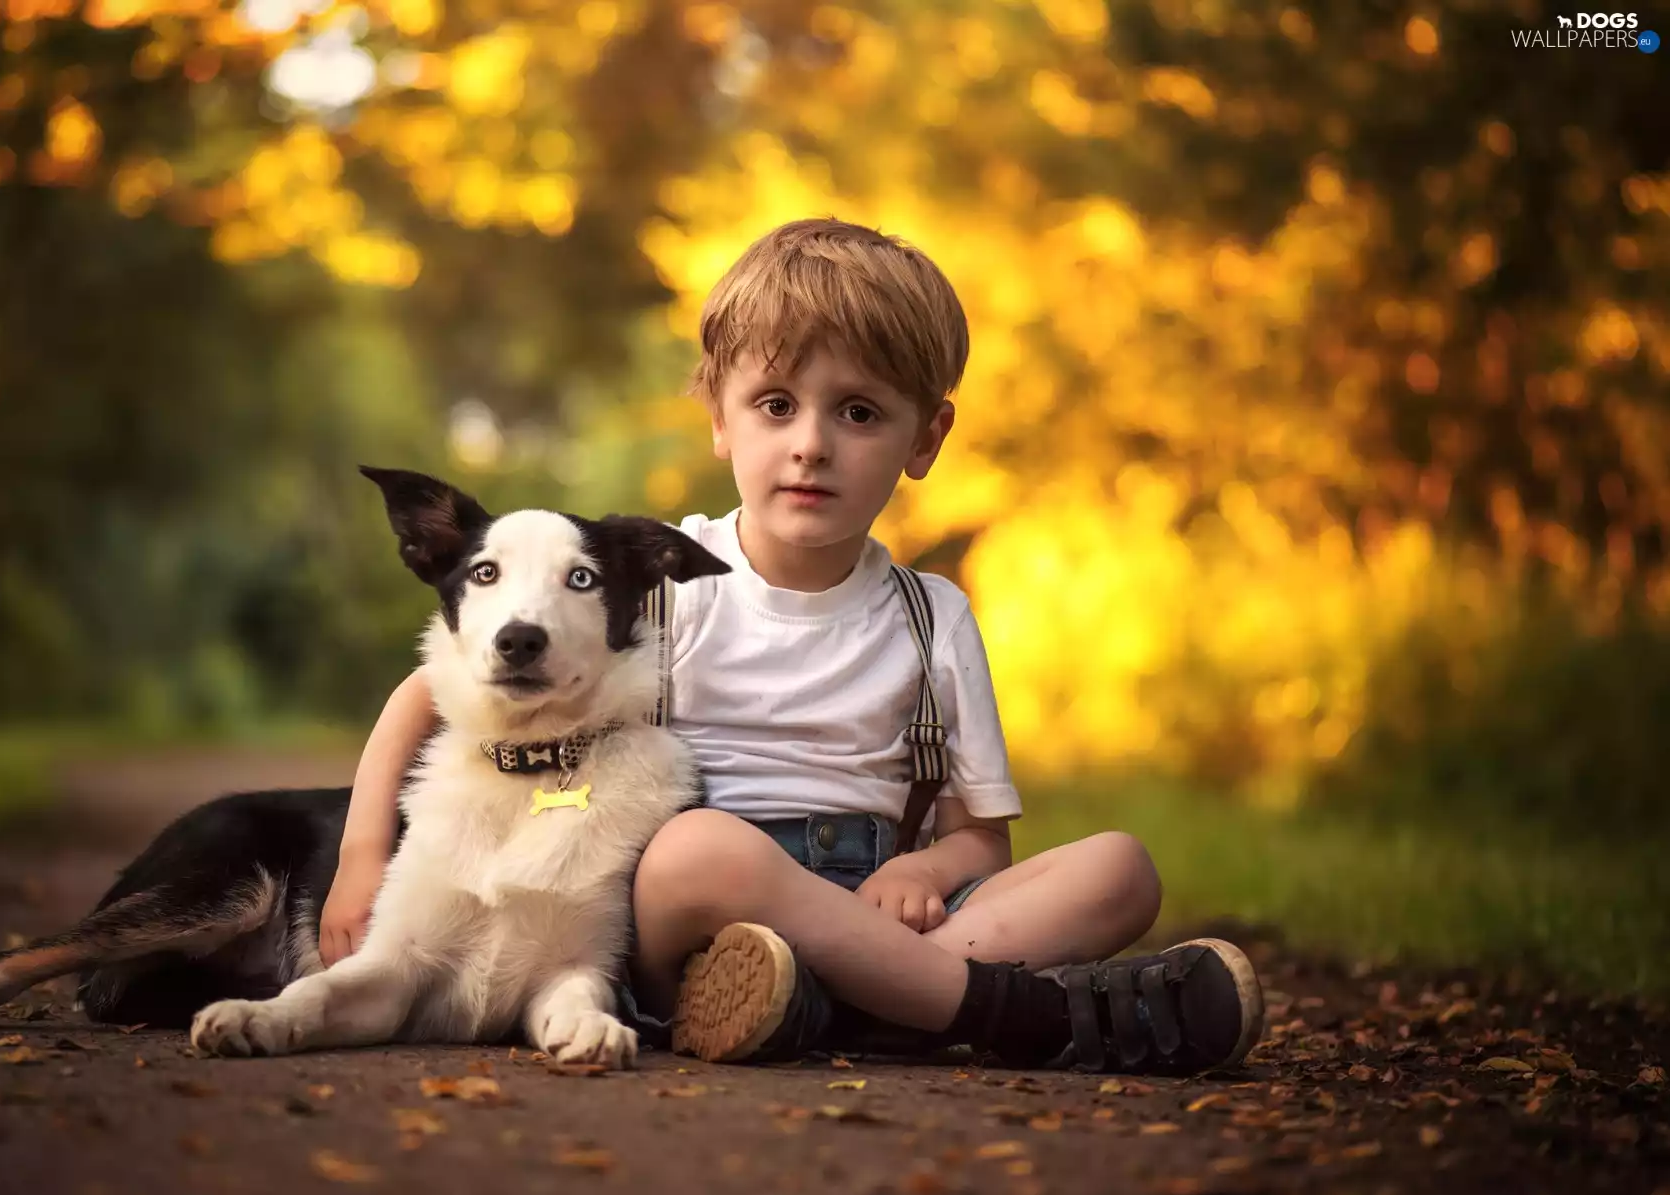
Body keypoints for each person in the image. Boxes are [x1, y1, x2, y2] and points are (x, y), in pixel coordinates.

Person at [323, 218, 1264, 1074]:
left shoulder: (934, 616)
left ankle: (835, 1004)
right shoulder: (662, 582)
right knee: (701, 849)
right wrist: (365, 854)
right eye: (776, 404)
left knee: (1119, 869)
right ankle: (1008, 1015)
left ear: (926, 437)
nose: (812, 443)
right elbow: (427, 695)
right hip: (687, 919)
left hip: (882, 906)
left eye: (858, 412)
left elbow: (980, 840)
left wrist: (921, 869)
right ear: (720, 419)